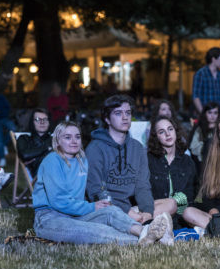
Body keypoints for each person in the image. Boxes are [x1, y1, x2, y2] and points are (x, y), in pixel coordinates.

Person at [32, 121, 173, 245]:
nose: (74, 141)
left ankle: (145, 231)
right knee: (96, 231)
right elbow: (59, 201)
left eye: (77, 137)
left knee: (110, 211)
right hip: (50, 217)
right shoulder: (52, 161)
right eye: (67, 137)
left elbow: (99, 184)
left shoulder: (82, 161)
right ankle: (152, 240)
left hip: (77, 214)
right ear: (57, 141)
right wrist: (92, 206)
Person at [86, 95, 177, 224]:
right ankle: (142, 227)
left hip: (132, 210)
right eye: (118, 113)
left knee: (171, 204)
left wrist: (147, 212)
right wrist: (127, 211)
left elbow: (142, 186)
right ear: (107, 119)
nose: (125, 117)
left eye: (128, 113)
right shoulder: (95, 148)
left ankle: (143, 225)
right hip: (107, 207)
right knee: (112, 212)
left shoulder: (138, 148)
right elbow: (95, 191)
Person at [147, 116, 195, 226]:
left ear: (176, 131)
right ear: (156, 137)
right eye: (161, 132)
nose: (167, 134)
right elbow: (145, 193)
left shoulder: (187, 161)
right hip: (155, 214)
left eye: (170, 129)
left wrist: (176, 202)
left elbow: (192, 193)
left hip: (180, 217)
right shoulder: (148, 160)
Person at [188, 102, 219, 189]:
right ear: (205, 113)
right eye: (209, 112)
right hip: (202, 163)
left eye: (215, 113)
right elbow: (193, 147)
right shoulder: (199, 128)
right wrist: (206, 146)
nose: (212, 116)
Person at [17, 108, 53, 178]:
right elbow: (25, 155)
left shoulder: (55, 139)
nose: (42, 122)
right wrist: (48, 147)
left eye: (45, 119)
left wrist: (35, 157)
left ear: (49, 123)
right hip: (40, 177)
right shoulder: (24, 138)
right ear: (32, 122)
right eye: (37, 119)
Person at [192, 47, 220, 115]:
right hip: (206, 114)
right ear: (213, 59)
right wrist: (203, 114)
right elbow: (196, 97)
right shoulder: (200, 74)